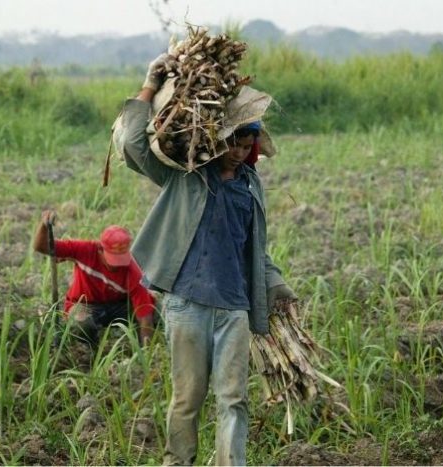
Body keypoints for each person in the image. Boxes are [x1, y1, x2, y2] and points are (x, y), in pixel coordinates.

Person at [117, 55, 296, 465]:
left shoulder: (251, 187)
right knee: (187, 400)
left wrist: (276, 284)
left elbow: (254, 248)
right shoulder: (188, 175)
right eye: (233, 142)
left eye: (247, 144)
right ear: (216, 138)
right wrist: (149, 84)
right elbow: (132, 145)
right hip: (187, 304)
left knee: (233, 399)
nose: (239, 151)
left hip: (234, 306)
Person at [32, 210, 156, 347]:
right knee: (82, 323)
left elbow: (145, 315)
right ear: (100, 249)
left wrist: (146, 353)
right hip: (85, 305)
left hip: (118, 306)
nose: (117, 265)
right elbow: (42, 247)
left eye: (121, 259)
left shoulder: (133, 271)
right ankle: (90, 350)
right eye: (113, 259)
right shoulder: (84, 250)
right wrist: (44, 225)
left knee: (155, 312)